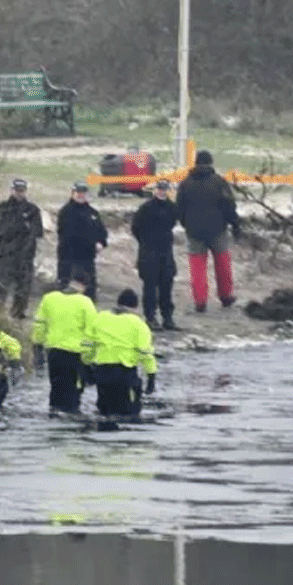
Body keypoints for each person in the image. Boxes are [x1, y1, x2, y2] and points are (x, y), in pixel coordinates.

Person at [175, 149, 242, 313]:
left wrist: (186, 224)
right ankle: (225, 296)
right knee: (223, 264)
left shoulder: (185, 184)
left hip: (194, 231)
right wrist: (234, 224)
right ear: (211, 163)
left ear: (196, 163)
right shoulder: (219, 182)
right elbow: (229, 206)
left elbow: (179, 208)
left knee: (197, 267)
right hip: (217, 229)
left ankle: (200, 301)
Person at [31, 271, 98, 416]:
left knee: (56, 388)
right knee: (73, 393)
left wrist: (37, 346)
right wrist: (89, 360)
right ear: (84, 286)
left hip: (53, 351)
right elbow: (92, 333)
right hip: (75, 354)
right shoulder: (86, 303)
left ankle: (54, 414)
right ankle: (71, 420)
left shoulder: (49, 299)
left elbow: (39, 325)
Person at [88, 288, 157, 425]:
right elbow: (145, 354)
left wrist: (87, 366)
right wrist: (151, 377)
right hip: (124, 375)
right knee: (129, 416)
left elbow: (89, 345)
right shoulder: (138, 324)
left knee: (105, 414)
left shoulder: (100, 318)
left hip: (102, 374)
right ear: (136, 307)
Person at [130, 178, 179, 331]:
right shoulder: (146, 208)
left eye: (164, 189)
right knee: (150, 286)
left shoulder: (172, 207)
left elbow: (172, 223)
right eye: (159, 189)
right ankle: (150, 318)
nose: (162, 192)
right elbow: (135, 228)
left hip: (166, 251)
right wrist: (145, 241)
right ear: (155, 190)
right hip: (149, 251)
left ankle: (168, 318)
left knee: (167, 285)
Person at [0, 178, 44, 320]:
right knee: (1, 286)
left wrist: (23, 228)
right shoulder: (2, 208)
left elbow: (37, 231)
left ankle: (18, 313)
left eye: (22, 191)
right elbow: (3, 229)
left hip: (26, 255)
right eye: (17, 190)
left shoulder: (32, 210)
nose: (20, 193)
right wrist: (24, 226)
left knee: (23, 287)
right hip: (6, 255)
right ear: (12, 190)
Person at [55, 182, 107, 301]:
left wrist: (101, 242)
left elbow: (102, 232)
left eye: (83, 193)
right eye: (78, 193)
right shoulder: (66, 212)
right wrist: (90, 243)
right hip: (69, 258)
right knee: (68, 292)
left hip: (88, 259)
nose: (81, 195)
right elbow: (69, 234)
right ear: (72, 194)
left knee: (89, 292)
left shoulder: (92, 213)